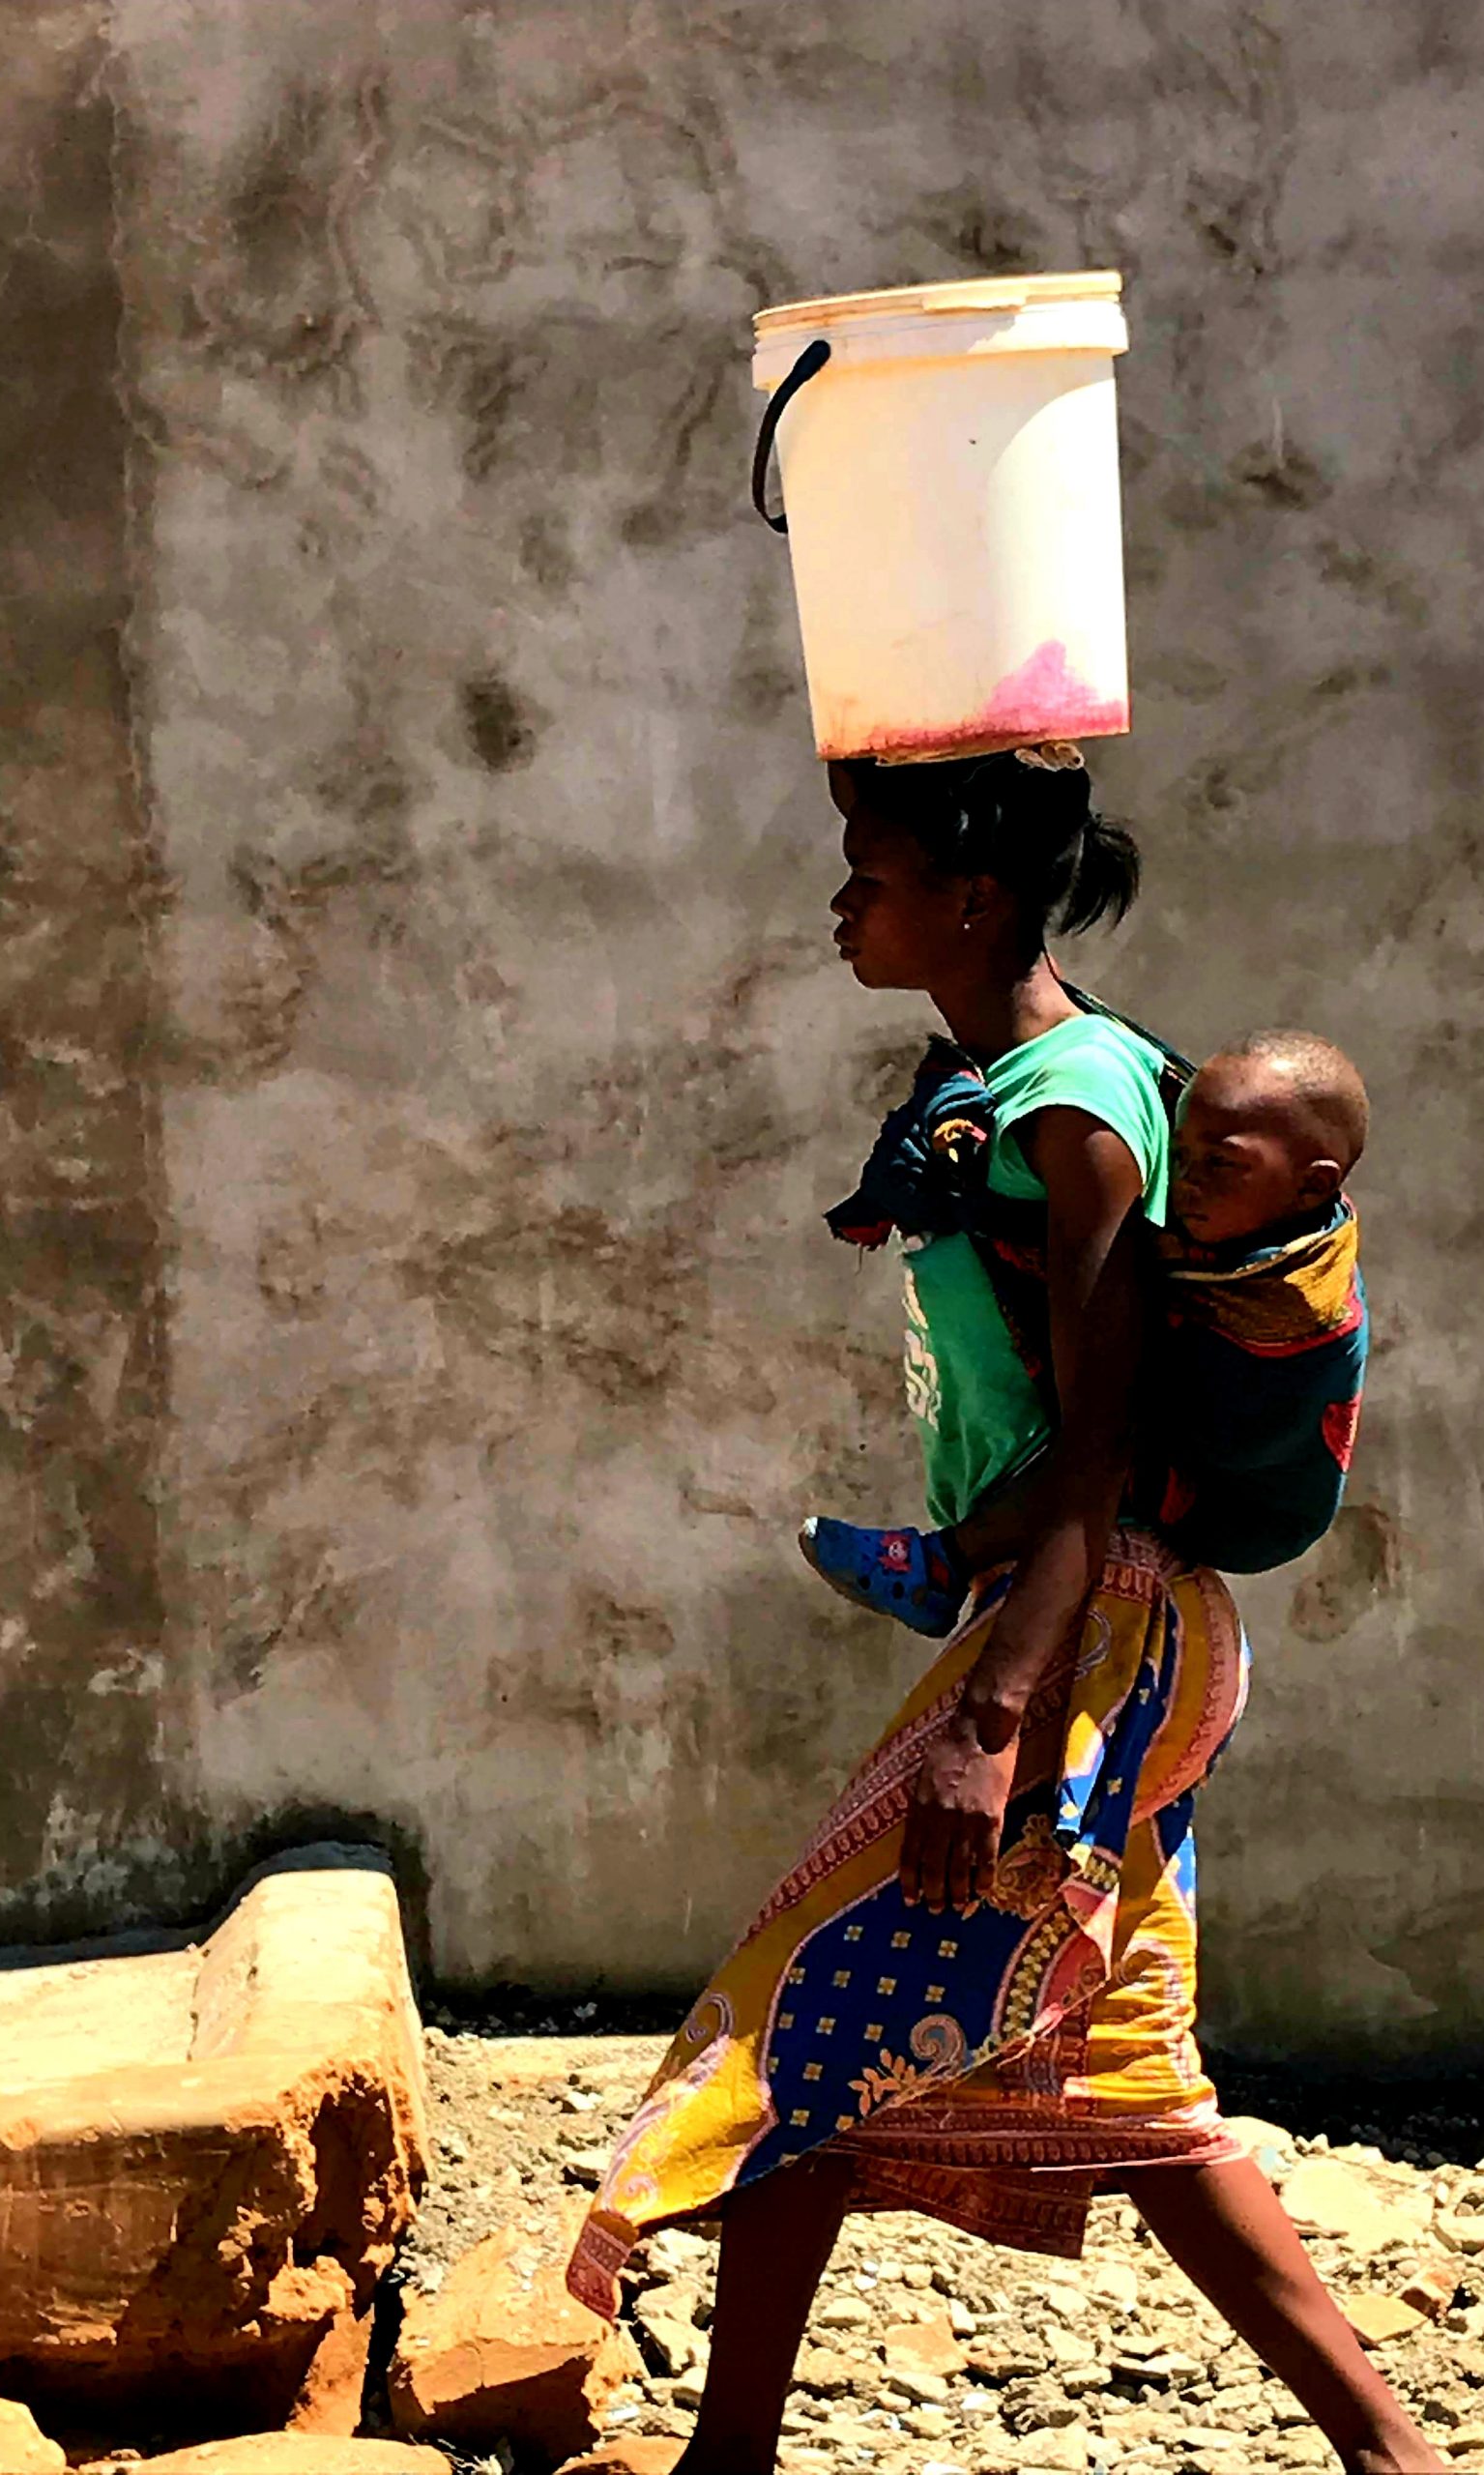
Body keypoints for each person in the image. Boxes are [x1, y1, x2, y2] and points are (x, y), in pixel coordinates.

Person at [567, 752, 1439, 2475]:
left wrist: (991, 1725)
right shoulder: (1005, 1073)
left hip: (1094, 1626)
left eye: (866, 873)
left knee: (808, 2012)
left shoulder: (1077, 1110)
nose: (837, 904)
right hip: (1088, 1620)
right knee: (1118, 2072)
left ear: (970, 900)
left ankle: (727, 2459)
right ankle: (1388, 2456)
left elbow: (1106, 1448)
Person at [801, 1028, 1373, 1635]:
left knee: (1099, 1446)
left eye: (1221, 1163)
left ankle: (941, 1566)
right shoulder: (1239, 1212)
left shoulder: (1291, 1313)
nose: (1187, 1180)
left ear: (1314, 1184)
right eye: (1178, 1155)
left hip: (1240, 1503)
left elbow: (1130, 1416)